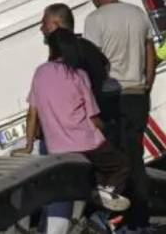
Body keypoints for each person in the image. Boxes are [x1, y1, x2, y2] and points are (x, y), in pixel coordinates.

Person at [17, 28, 131, 212]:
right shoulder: (79, 75)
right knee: (121, 164)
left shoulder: (40, 73)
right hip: (85, 142)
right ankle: (106, 192)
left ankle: (100, 194)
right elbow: (93, 118)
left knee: (97, 170)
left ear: (51, 49)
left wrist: (29, 145)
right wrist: (107, 130)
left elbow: (32, 113)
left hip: (57, 147)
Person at [83, 0, 157, 228]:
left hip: (112, 98)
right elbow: (150, 53)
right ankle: (141, 216)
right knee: (135, 156)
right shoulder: (137, 14)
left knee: (116, 161)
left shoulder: (94, 20)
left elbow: (93, 60)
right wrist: (147, 84)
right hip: (137, 94)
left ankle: (121, 217)